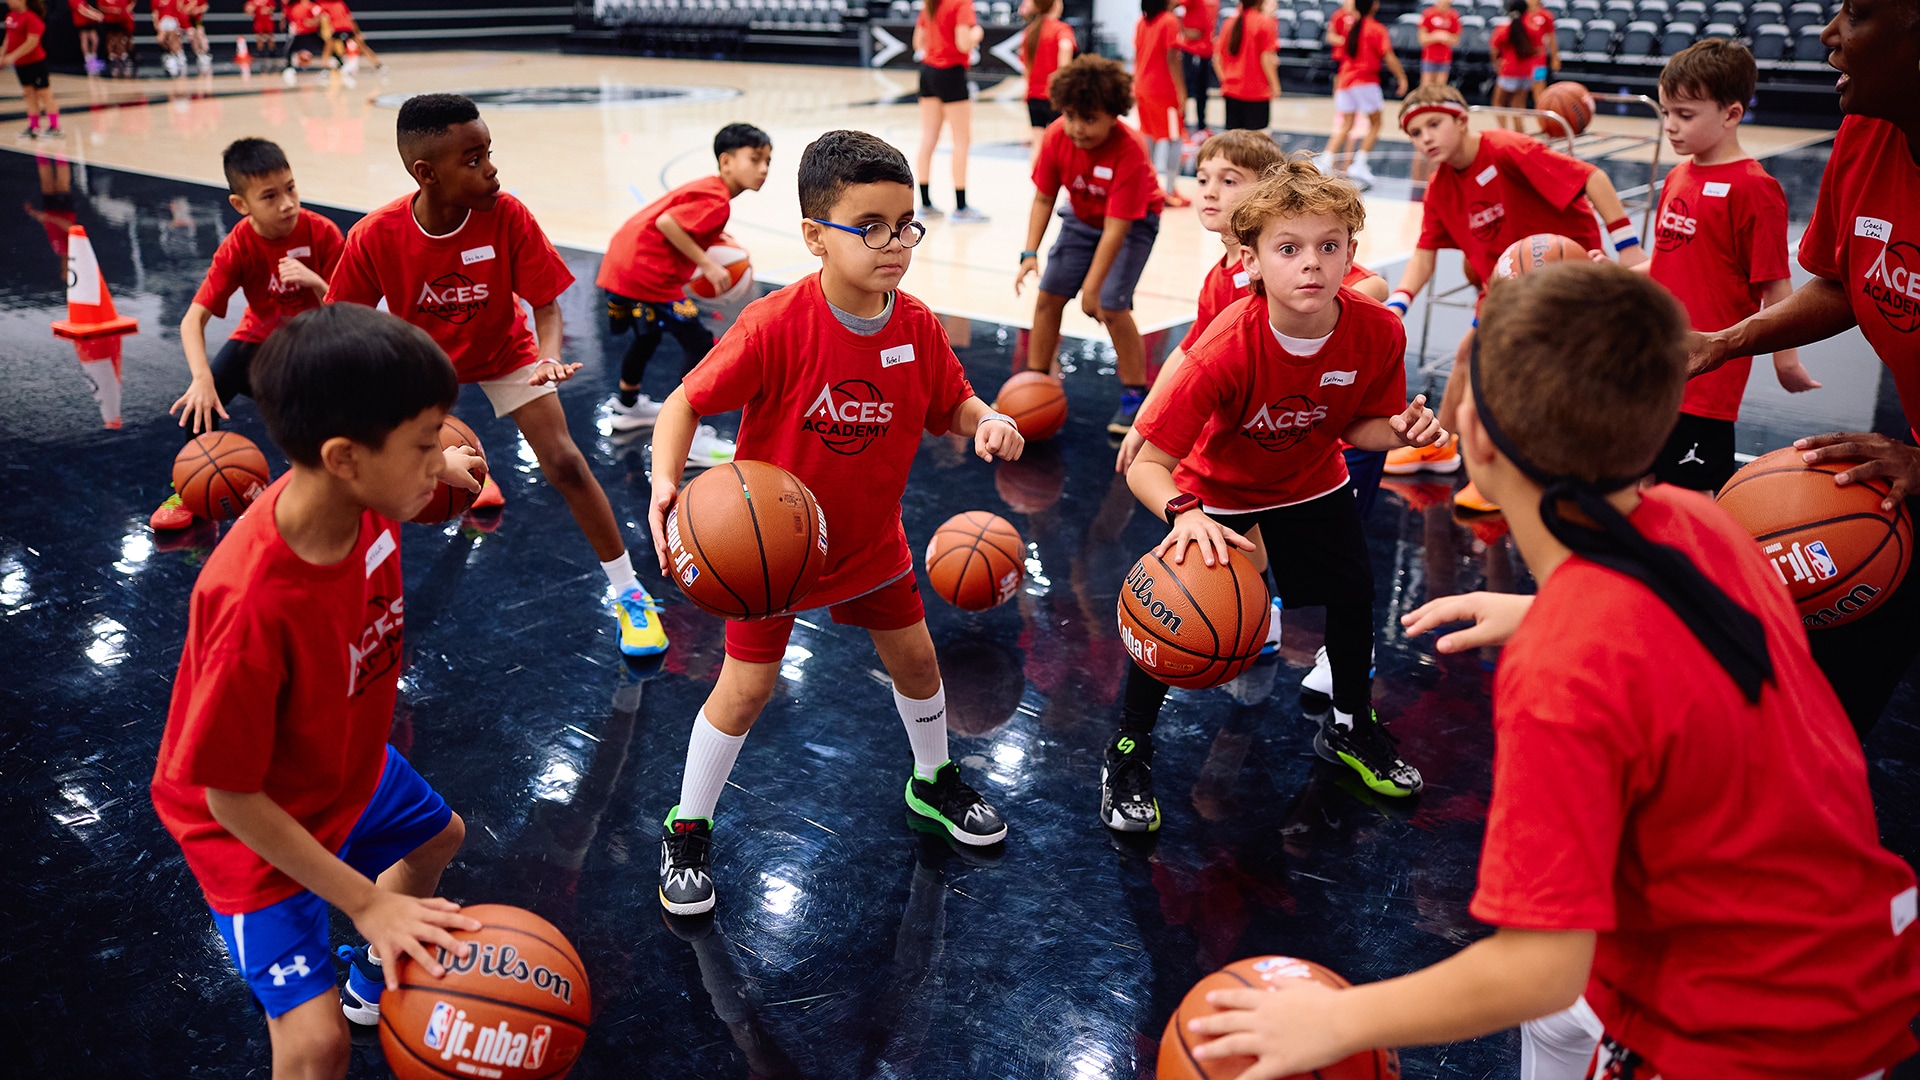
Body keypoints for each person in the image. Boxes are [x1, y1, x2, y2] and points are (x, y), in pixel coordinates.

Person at [1186, 262, 1920, 1080]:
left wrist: (1333, 1019)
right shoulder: (1699, 521)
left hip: (1743, 1036)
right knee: (1568, 1023)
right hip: (1858, 956)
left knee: (1560, 993)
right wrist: (1547, 608)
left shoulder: (1564, 671)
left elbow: (1539, 967)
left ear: (1473, 429)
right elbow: (1704, 620)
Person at [644, 130, 1025, 915]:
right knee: (746, 689)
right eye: (872, 226)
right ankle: (687, 826)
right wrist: (663, 481)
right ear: (817, 235)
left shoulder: (915, 324)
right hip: (772, 551)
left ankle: (932, 781)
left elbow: (949, 402)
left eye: (905, 224)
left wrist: (984, 418)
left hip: (869, 538)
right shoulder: (774, 325)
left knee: (919, 664)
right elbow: (684, 400)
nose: (895, 244)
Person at [149, 303, 487, 1078]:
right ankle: (361, 958)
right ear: (344, 458)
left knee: (439, 837)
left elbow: (421, 486)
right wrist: (365, 901)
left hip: (338, 761)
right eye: (426, 444)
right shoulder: (253, 602)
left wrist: (448, 477)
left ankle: (371, 980)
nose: (439, 459)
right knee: (314, 1045)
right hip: (249, 821)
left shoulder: (369, 495)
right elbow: (228, 796)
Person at [1102, 159, 1444, 835]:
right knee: (1172, 613)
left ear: (1351, 251)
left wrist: (1400, 428)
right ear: (1252, 261)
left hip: (1311, 479)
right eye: (1288, 249)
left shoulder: (1379, 330)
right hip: (1215, 490)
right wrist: (1184, 513)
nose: (1311, 264)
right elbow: (1149, 465)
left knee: (1354, 594)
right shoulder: (1225, 347)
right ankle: (1128, 752)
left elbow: (1358, 427)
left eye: (1328, 245)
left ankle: (1350, 725)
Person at [326, 93, 671, 660]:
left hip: (507, 349)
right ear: (426, 173)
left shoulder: (507, 214)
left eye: (489, 152)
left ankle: (629, 593)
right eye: (472, 159)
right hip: (421, 363)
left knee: (564, 462)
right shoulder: (374, 236)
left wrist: (548, 356)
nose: (490, 169)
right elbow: (345, 325)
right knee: (364, 479)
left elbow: (547, 305)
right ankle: (355, 609)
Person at [1685, 0, 1920, 735]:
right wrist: (1722, 342)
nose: (1828, 34)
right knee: (1825, 708)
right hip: (1908, 472)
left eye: (1858, 12)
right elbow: (1845, 280)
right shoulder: (1868, 132)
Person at [1381, 85, 1645, 513]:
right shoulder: (1440, 186)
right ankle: (1440, 445)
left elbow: (1591, 177)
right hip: (1508, 281)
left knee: (1520, 375)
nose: (1424, 137)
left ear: (1462, 120)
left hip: (1564, 273)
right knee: (1468, 357)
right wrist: (1397, 306)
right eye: (1414, 132)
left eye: (1433, 124)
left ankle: (1511, 475)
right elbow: (1424, 257)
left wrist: (1627, 244)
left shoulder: (1505, 148)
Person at [1644, 40, 1814, 493]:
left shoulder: (1755, 189)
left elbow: (1776, 284)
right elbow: (1667, 260)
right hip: (1651, 364)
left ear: (1732, 113)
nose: (1670, 127)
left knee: (1693, 497)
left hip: (1704, 376)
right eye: (1665, 113)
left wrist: (1786, 359)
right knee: (1644, 486)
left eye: (1684, 114)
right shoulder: (1679, 175)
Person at [151, 138, 345, 531]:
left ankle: (324, 484)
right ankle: (187, 489)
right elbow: (192, 320)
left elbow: (350, 311)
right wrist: (202, 379)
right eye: (270, 196)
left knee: (323, 417)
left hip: (314, 344)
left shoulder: (321, 232)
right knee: (199, 406)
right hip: (260, 343)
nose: (287, 203)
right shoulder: (238, 245)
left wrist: (315, 281)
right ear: (241, 205)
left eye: (290, 188)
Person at [595, 121, 769, 459]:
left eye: (767, 161)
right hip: (647, 273)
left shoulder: (710, 189)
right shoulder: (718, 200)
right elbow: (667, 223)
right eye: (755, 159)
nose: (763, 169)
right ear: (726, 161)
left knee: (647, 337)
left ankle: (627, 407)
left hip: (624, 263)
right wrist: (707, 263)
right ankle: (686, 439)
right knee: (700, 343)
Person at [1016, 55, 1165, 436]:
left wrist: (1093, 290)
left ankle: (1136, 394)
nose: (1077, 128)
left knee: (1112, 305)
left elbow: (1117, 229)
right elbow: (1042, 198)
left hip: (1133, 223)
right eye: (1070, 115)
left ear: (1115, 114)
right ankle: (1035, 382)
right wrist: (1030, 252)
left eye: (1090, 118)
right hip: (1082, 217)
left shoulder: (1129, 149)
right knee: (1048, 295)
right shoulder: (1056, 135)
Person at [913, 0, 987, 222]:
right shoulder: (961, 3)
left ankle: (925, 204)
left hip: (927, 72)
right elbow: (964, 44)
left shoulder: (929, 4)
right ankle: (961, 207)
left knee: (928, 139)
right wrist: (977, 33)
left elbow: (918, 42)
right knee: (962, 140)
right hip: (951, 73)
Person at [1321, 0, 1406, 187]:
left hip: (1345, 79)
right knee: (1376, 124)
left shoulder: (1351, 27)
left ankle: (1325, 162)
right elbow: (1388, 56)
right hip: (1365, 81)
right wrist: (1401, 77)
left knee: (1346, 124)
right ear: (1374, 6)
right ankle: (1359, 164)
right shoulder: (1376, 29)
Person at [1134, 0, 1189, 205]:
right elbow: (1172, 57)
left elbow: (1137, 54)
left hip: (1142, 87)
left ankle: (1146, 186)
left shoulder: (1141, 22)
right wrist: (1181, 91)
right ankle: (1170, 189)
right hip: (1163, 90)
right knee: (1175, 138)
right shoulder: (1169, 20)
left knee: (1149, 136)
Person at [1021, 0, 1075, 164]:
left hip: (1034, 96)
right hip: (1054, 97)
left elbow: (1026, 68)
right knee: (1060, 146)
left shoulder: (1030, 31)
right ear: (1054, 5)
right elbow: (1066, 46)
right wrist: (1062, 73)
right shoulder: (1061, 29)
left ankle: (1037, 185)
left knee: (1037, 143)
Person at [1212, 0, 1279, 133]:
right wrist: (1275, 85)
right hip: (1257, 91)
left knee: (1233, 142)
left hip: (1232, 90)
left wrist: (1225, 80)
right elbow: (1266, 58)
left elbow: (1217, 58)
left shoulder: (1230, 22)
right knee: (1256, 143)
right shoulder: (1265, 22)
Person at [2, 0, 56, 138]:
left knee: (44, 93)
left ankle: (54, 127)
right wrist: (2, 54)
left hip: (36, 62)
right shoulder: (11, 16)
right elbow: (8, 38)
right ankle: (34, 127)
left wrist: (12, 56)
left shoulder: (32, 18)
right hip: (21, 64)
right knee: (28, 93)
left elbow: (32, 42)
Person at [1490, 0, 1540, 130]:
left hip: (1508, 71)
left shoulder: (1503, 28)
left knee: (1498, 103)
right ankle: (1519, 131)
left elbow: (1494, 50)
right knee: (1518, 104)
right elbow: (1538, 50)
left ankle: (1503, 131)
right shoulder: (1533, 28)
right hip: (1526, 72)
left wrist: (1497, 65)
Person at [1176, 0, 1216, 130]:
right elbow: (1174, 3)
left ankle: (1201, 126)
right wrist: (1180, 25)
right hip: (1193, 50)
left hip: (1205, 50)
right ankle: (1183, 124)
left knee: (1201, 92)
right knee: (1188, 89)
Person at [1523, 0, 1560, 115]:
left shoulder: (1545, 15)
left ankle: (1542, 113)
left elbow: (1551, 38)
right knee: (1521, 89)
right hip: (1523, 58)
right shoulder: (1522, 14)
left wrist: (1555, 57)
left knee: (1539, 85)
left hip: (1539, 58)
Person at [1416, 0, 1459, 87]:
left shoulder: (1453, 16)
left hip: (1445, 57)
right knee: (1426, 86)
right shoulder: (1428, 13)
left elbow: (1456, 40)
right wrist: (1436, 36)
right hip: (1429, 56)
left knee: (1440, 88)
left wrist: (1446, 37)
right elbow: (1422, 38)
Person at [282, 0, 323, 83]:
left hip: (310, 31)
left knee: (325, 46)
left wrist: (313, 22)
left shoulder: (310, 6)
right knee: (289, 49)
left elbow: (320, 15)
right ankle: (289, 67)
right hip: (299, 32)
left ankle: (337, 61)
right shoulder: (293, 7)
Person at [72, 0, 104, 74]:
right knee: (84, 39)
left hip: (89, 21)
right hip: (81, 21)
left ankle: (93, 59)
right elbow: (82, 10)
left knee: (95, 40)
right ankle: (88, 61)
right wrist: (95, 16)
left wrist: (98, 13)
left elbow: (88, 7)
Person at [178, 0, 210, 73]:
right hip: (186, 20)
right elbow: (181, 9)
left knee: (200, 33)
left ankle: (204, 53)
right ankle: (198, 54)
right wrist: (191, 7)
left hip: (197, 20)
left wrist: (199, 9)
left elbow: (205, 6)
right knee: (192, 36)